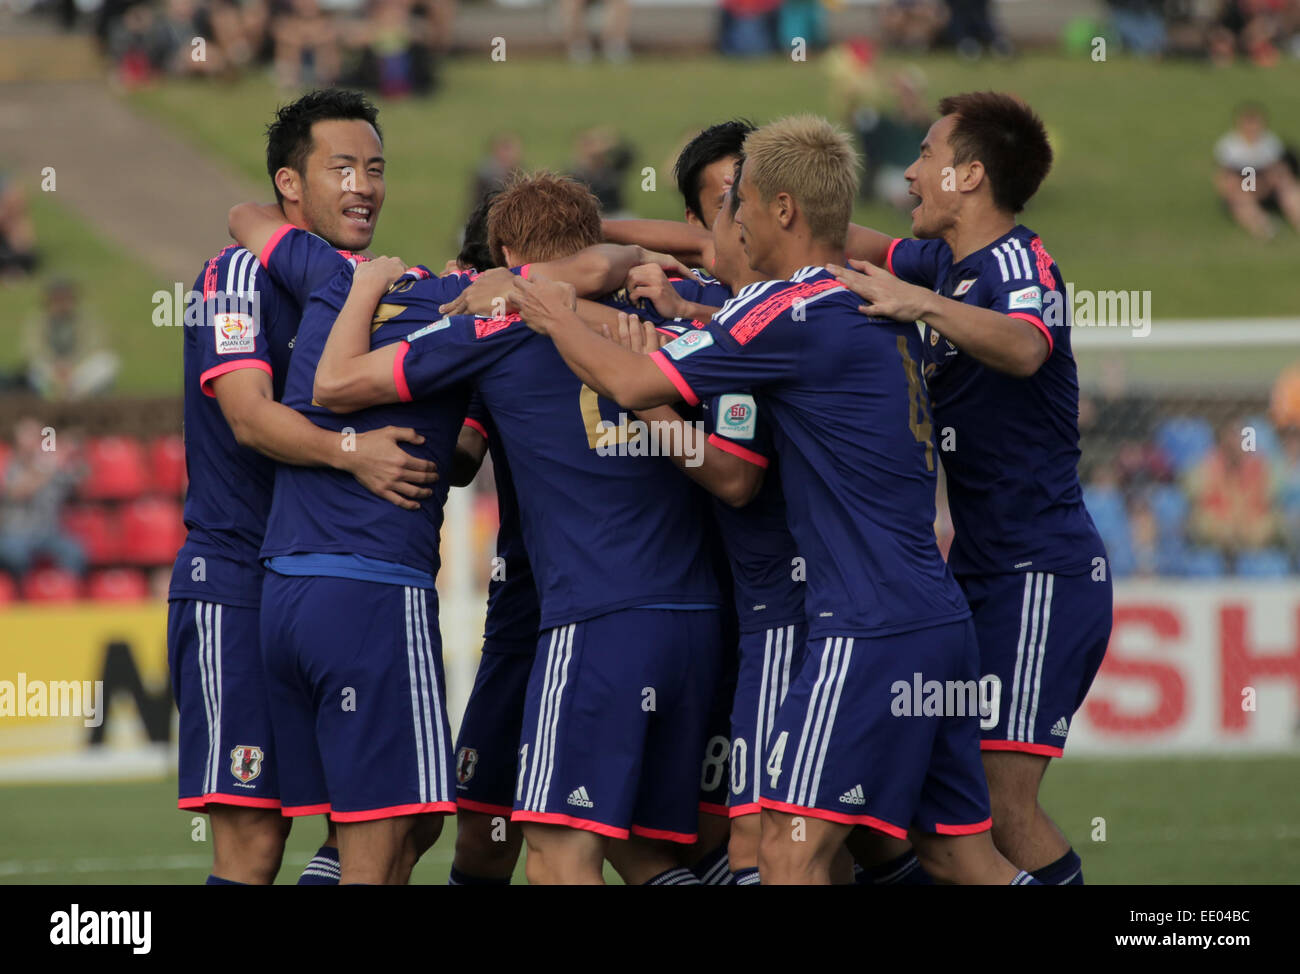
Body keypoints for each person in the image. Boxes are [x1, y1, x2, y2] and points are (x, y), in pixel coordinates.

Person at [513, 116, 1035, 885]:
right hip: (934, 619)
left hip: (867, 627)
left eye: (740, 201)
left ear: (783, 210)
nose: (732, 221)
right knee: (959, 853)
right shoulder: (864, 300)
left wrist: (553, 309)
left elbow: (630, 382)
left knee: (789, 853)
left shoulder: (785, 308)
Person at [282, 172, 728, 886]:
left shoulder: (498, 325)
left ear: (507, 252)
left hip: (595, 617)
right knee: (653, 848)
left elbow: (334, 386)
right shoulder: (678, 320)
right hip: (702, 620)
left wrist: (369, 287)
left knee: (555, 851)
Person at [831, 91, 1112, 886]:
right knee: (930, 803)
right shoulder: (946, 264)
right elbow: (838, 242)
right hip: (976, 575)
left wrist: (923, 305)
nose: (911, 173)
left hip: (1041, 575)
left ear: (970, 176)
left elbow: (1026, 347)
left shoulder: (1022, 264)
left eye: (924, 155)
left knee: (996, 805)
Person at [167, 89, 435, 887]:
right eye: (342, 167)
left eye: (376, 169)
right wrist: (354, 452)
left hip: (319, 585)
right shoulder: (238, 277)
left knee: (402, 819)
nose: (364, 186)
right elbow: (250, 419)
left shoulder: (364, 283)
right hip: (237, 580)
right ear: (291, 184)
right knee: (252, 841)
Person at [0, 418, 86, 580]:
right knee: (14, 555)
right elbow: (18, 492)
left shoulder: (51, 464)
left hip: (50, 533)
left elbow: (80, 481)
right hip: (15, 534)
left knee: (74, 552)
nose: (31, 444)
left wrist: (73, 452)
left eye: (36, 438)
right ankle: (23, 595)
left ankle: (63, 592)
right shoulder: (8, 465)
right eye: (27, 438)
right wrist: (46, 465)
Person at [1213, 102, 1300, 240]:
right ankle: (1264, 228)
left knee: (1291, 189)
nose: (1252, 128)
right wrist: (1248, 189)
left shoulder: (1270, 143)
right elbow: (1226, 178)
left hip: (1268, 186)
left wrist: (1266, 184)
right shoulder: (1229, 146)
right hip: (1242, 189)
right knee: (1240, 197)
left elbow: (1279, 170)